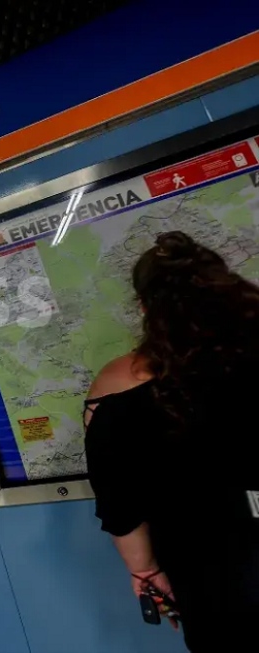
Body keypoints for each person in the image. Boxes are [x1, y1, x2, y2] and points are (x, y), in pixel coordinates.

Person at [83, 231, 259, 652]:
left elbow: (120, 504)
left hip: (213, 578)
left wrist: (144, 572)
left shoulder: (116, 387)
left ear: (145, 308)